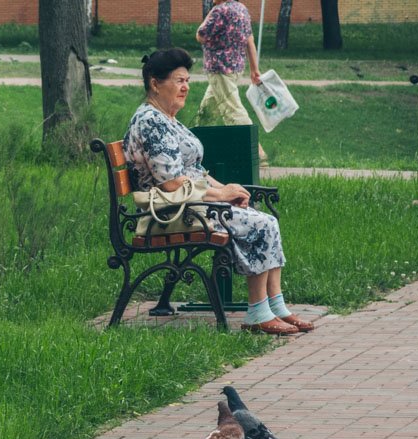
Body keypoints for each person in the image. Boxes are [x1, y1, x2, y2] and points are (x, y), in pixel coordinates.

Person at [124, 48, 313, 336]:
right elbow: (171, 184)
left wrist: (225, 188)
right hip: (167, 213)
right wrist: (220, 196)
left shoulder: (167, 119)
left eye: (187, 80)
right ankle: (258, 313)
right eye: (178, 80)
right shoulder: (151, 122)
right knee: (259, 223)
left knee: (266, 221)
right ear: (155, 83)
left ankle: (277, 307)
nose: (186, 87)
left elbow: (194, 171)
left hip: (189, 207)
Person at [194, 0, 268, 166]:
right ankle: (196, 150)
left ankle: (256, 153)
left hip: (219, 69)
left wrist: (211, 12)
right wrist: (254, 69)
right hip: (235, 69)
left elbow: (200, 35)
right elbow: (250, 40)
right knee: (207, 111)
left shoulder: (219, 11)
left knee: (232, 110)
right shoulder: (242, 10)